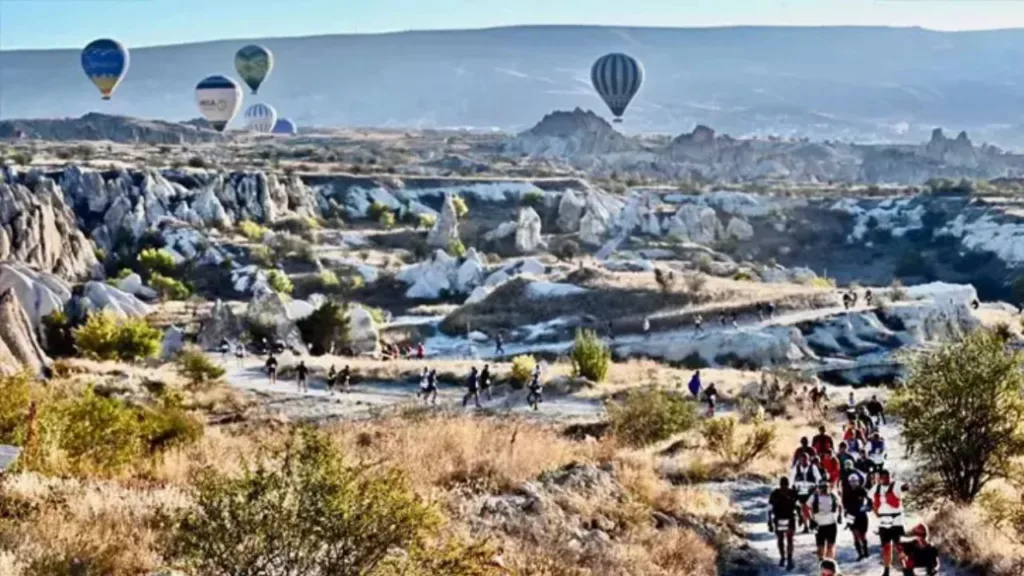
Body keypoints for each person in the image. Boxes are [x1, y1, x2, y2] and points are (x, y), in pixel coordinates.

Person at [873, 469, 907, 576]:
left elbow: (904, 487)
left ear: (889, 476)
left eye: (886, 477)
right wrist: (876, 513)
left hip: (896, 521)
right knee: (886, 547)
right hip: (883, 522)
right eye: (882, 477)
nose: (885, 479)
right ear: (880, 478)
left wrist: (905, 487)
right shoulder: (877, 488)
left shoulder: (896, 485)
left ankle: (906, 567)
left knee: (899, 546)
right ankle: (886, 570)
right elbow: (873, 502)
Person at [767, 476, 799, 570]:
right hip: (788, 518)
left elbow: (769, 509)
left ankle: (784, 558)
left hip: (780, 519)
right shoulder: (791, 493)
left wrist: (769, 521)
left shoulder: (776, 493)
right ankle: (787, 558)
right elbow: (798, 506)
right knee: (788, 539)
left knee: (782, 539)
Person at [842, 468, 872, 560]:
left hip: (861, 515)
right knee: (855, 535)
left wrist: (867, 507)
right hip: (851, 515)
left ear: (858, 481)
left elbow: (870, 500)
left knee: (862, 535)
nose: (853, 483)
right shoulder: (846, 491)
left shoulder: (862, 490)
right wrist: (846, 515)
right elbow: (844, 505)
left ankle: (866, 551)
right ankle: (860, 554)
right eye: (851, 481)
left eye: (855, 481)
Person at [810, 480, 842, 561]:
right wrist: (811, 519)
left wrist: (839, 515)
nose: (824, 489)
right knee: (820, 546)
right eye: (822, 487)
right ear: (819, 488)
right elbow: (806, 507)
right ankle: (821, 561)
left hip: (831, 524)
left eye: (826, 487)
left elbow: (840, 504)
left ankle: (829, 562)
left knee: (831, 545)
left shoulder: (833, 495)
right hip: (819, 525)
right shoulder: (814, 496)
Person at [792, 452, 823, 533]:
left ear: (808, 459)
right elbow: (791, 479)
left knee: (809, 508)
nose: (803, 461)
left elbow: (819, 479)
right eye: (801, 459)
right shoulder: (796, 468)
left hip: (811, 490)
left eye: (805, 459)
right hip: (800, 491)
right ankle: (807, 525)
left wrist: (817, 487)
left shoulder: (813, 467)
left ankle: (812, 522)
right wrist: (793, 488)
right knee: (803, 508)